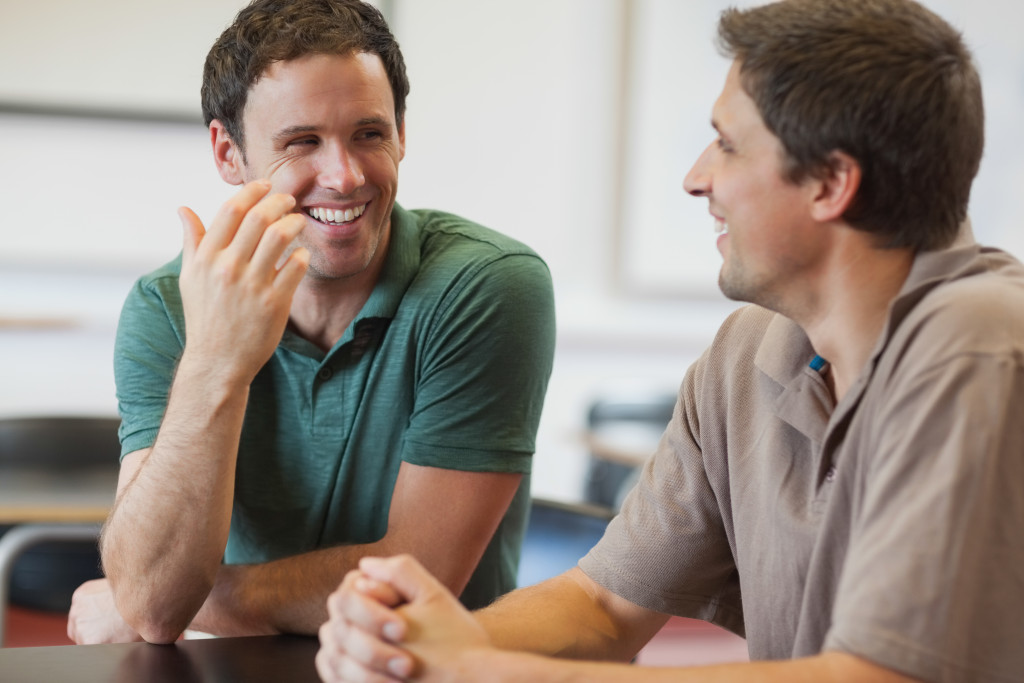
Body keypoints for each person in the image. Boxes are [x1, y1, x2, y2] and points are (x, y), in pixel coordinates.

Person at [315, 0, 1024, 681]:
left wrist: (478, 668)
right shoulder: (749, 352)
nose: (697, 177)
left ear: (831, 182)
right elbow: (602, 607)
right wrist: (408, 645)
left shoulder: (981, 344)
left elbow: (875, 676)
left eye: (727, 144)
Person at [66, 0, 555, 645]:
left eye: (369, 134)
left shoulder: (487, 285)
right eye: (302, 142)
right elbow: (157, 602)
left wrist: (194, 600)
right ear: (228, 152)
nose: (345, 176)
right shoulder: (167, 306)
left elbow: (419, 583)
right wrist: (216, 359)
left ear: (402, 131)